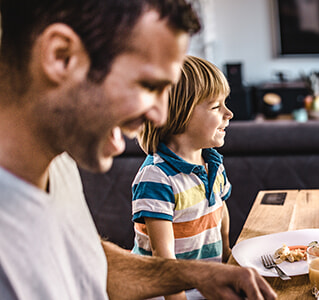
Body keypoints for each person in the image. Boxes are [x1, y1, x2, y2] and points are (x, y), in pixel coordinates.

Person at [0, 1, 276, 299]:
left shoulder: (57, 162)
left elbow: (86, 258)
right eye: (148, 85)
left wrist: (198, 273)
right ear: (61, 57)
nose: (160, 115)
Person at [131, 55, 235, 300]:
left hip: (204, 283)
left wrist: (228, 254)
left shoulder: (213, 163)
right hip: (165, 292)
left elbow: (220, 208)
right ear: (180, 114)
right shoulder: (157, 177)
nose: (228, 113)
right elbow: (163, 255)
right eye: (215, 107)